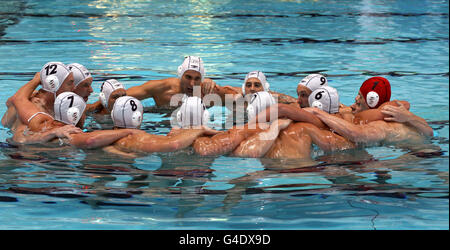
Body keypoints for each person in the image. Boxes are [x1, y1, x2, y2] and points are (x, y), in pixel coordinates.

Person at [11, 92, 138, 149]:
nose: (85, 117)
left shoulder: (42, 125)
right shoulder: (70, 133)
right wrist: (127, 131)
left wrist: (49, 134)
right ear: (75, 115)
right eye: (84, 113)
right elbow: (91, 140)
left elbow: (19, 139)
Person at [102, 96, 218, 157]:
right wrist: (200, 129)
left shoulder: (102, 138)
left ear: (112, 115)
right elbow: (173, 144)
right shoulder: (143, 138)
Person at [2, 62, 75, 131]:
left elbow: (10, 101)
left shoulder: (28, 95)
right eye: (70, 83)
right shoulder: (34, 107)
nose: (74, 87)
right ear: (53, 85)